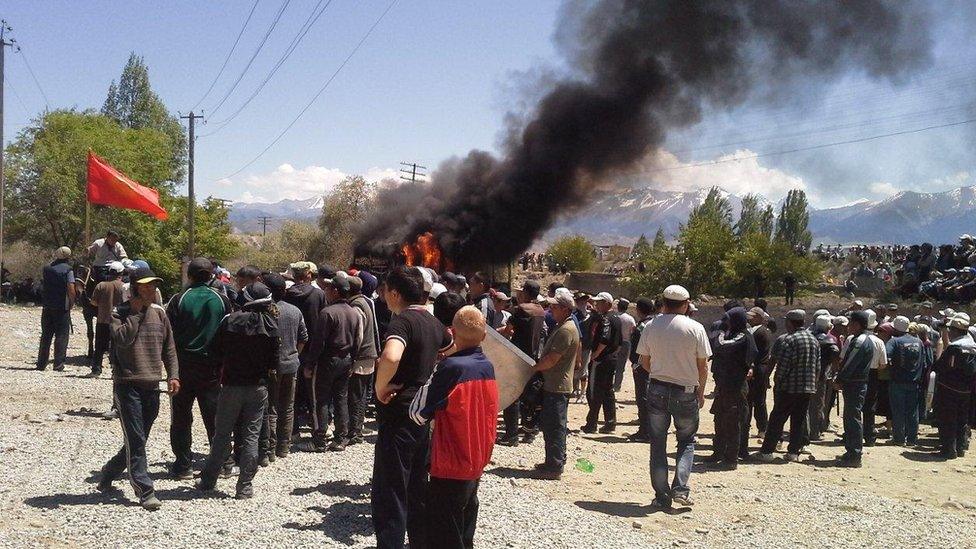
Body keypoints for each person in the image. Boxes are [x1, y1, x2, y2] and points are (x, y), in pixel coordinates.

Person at [372, 266, 453, 549]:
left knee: (391, 487)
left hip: (398, 412)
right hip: (423, 414)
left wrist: (380, 387)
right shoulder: (433, 323)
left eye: (385, 292)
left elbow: (391, 356)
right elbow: (450, 344)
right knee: (417, 485)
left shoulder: (402, 321)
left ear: (394, 293)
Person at [409, 306, 498, 549]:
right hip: (477, 456)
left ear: (452, 332)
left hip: (450, 460)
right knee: (466, 518)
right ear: (484, 336)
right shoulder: (487, 367)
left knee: (443, 529)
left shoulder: (450, 368)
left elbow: (417, 412)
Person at [96, 267, 179, 510]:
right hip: (127, 385)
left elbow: (170, 348)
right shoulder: (119, 313)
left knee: (139, 438)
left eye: (153, 286)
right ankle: (145, 489)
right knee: (136, 438)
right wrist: (135, 313)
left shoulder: (160, 315)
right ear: (134, 288)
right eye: (146, 286)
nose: (151, 290)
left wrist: (173, 375)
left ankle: (110, 471)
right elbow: (122, 339)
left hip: (152, 386)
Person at [196, 282, 279, 499]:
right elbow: (274, 362)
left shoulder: (230, 320)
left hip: (231, 385)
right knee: (251, 436)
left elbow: (214, 351)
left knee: (222, 434)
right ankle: (245, 486)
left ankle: (209, 479)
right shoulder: (272, 326)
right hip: (258, 388)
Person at [636, 285, 710, 509]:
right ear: (686, 304)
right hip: (685, 391)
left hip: (657, 388)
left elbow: (644, 362)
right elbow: (703, 366)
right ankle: (680, 488)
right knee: (686, 441)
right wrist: (700, 392)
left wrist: (660, 373)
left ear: (664, 302)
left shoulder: (650, 326)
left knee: (658, 443)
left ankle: (661, 496)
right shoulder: (696, 328)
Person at [165, 257, 233, 478]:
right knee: (214, 417)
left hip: (183, 367)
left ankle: (183, 465)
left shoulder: (178, 299)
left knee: (181, 417)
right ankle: (221, 464)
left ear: (189, 275)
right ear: (212, 275)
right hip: (213, 368)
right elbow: (229, 332)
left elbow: (169, 336)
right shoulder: (222, 300)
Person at [306, 272, 363, 452]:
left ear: (336, 291)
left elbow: (318, 343)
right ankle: (340, 439)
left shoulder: (327, 313)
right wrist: (352, 361)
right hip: (346, 360)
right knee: (341, 399)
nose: (326, 291)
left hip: (327, 360)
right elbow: (357, 340)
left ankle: (320, 440)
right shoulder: (354, 313)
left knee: (321, 400)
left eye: (329, 289)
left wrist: (309, 365)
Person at [755, 310, 820, 462]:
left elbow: (783, 366)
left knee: (777, 419)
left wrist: (777, 382)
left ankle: (767, 452)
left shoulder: (789, 340)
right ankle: (793, 453)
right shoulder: (813, 340)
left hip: (789, 388)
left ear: (790, 322)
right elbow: (817, 367)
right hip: (807, 388)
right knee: (798, 420)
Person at [531, 290, 580, 479]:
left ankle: (554, 465)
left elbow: (552, 359)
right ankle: (553, 460)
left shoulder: (566, 330)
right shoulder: (563, 326)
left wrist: (534, 368)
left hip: (557, 386)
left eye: (555, 307)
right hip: (554, 384)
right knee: (552, 425)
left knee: (555, 427)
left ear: (565, 309)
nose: (551, 310)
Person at [261, 273, 307, 461]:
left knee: (271, 407)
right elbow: (304, 338)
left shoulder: (265, 311)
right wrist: (294, 354)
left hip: (271, 367)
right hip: (291, 365)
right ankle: (283, 447)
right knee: (287, 407)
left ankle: (270, 449)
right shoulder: (295, 311)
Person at [704, 307, 756, 469]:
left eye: (728, 320)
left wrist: (719, 334)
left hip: (735, 387)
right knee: (719, 419)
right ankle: (718, 452)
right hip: (724, 385)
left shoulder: (743, 336)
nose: (725, 323)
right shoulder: (731, 334)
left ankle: (731, 458)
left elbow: (723, 346)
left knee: (733, 422)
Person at [499, 280, 546, 446]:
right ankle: (529, 431)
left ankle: (511, 435)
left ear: (525, 293)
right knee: (531, 397)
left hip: (518, 357)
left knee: (512, 395)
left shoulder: (521, 309)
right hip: (534, 359)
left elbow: (507, 331)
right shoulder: (540, 310)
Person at [282, 261, 325, 434]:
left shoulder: (287, 294)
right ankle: (316, 429)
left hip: (291, 348)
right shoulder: (319, 295)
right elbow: (323, 323)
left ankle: (291, 430)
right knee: (313, 393)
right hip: (312, 349)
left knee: (291, 394)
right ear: (308, 275)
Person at [831, 311, 874, 467]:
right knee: (850, 417)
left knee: (852, 418)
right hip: (856, 382)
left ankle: (854, 454)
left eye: (851, 323)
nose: (848, 327)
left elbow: (850, 363)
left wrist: (839, 379)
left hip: (855, 383)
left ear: (857, 324)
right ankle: (851, 451)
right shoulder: (861, 339)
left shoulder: (860, 341)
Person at [931, 315, 976, 459]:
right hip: (967, 389)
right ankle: (960, 447)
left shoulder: (954, 348)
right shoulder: (973, 346)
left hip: (949, 388)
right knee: (962, 419)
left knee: (948, 419)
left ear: (955, 330)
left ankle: (948, 450)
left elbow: (939, 366)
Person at [581, 292, 622, 434]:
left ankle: (591, 423)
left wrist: (595, 355)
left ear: (608, 304)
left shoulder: (606, 319)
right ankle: (610, 423)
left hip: (600, 360)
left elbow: (604, 338)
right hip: (611, 359)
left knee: (594, 391)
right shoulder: (617, 319)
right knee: (607, 391)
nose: (596, 305)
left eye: (600, 302)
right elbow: (619, 342)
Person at [347, 273, 379, 446]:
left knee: (356, 396)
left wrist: (352, 355)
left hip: (361, 357)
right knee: (360, 395)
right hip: (369, 355)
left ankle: (354, 432)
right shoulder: (366, 301)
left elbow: (358, 334)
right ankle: (356, 430)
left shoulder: (357, 305)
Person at [885, 316, 923, 447]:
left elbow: (886, 358)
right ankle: (912, 439)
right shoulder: (919, 342)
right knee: (912, 411)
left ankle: (899, 439)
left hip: (897, 381)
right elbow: (923, 361)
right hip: (915, 382)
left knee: (898, 411)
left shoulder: (894, 342)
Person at [37, 246, 76, 372]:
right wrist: (72, 302)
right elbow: (71, 288)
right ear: (68, 257)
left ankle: (41, 363)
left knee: (46, 335)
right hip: (61, 306)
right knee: (61, 335)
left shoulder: (47, 268)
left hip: (47, 305)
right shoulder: (68, 270)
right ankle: (58, 364)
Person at [87, 261, 125, 377]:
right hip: (118, 322)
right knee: (116, 347)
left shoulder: (101, 285)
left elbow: (93, 302)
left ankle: (96, 370)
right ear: (121, 273)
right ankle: (116, 372)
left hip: (102, 320)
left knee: (99, 347)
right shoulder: (124, 286)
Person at [628, 297, 656, 443]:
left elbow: (639, 349)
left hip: (642, 366)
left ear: (639, 310)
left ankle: (645, 431)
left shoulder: (642, 326)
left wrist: (636, 364)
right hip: (653, 365)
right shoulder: (655, 323)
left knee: (642, 397)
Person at [744, 307, 772, 445]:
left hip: (757, 368)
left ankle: (757, 427)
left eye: (753, 317)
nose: (750, 319)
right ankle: (760, 428)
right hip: (761, 369)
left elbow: (755, 352)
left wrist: (751, 367)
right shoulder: (763, 331)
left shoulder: (758, 332)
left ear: (760, 318)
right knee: (758, 400)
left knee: (754, 400)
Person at [810, 314, 840, 440]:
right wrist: (835, 370)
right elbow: (835, 355)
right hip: (822, 376)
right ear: (828, 327)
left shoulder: (810, 337)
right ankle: (815, 432)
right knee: (818, 404)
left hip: (808, 375)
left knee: (807, 404)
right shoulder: (829, 341)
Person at [862, 310, 888, 446]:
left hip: (858, 374)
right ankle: (869, 435)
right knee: (870, 406)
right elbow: (883, 364)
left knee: (853, 406)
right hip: (873, 375)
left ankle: (851, 433)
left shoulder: (852, 339)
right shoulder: (879, 342)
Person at [614, 298, 637, 392]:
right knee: (620, 367)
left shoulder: (614, 317)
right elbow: (633, 331)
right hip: (625, 343)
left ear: (618, 307)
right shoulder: (630, 318)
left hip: (614, 343)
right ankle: (617, 386)